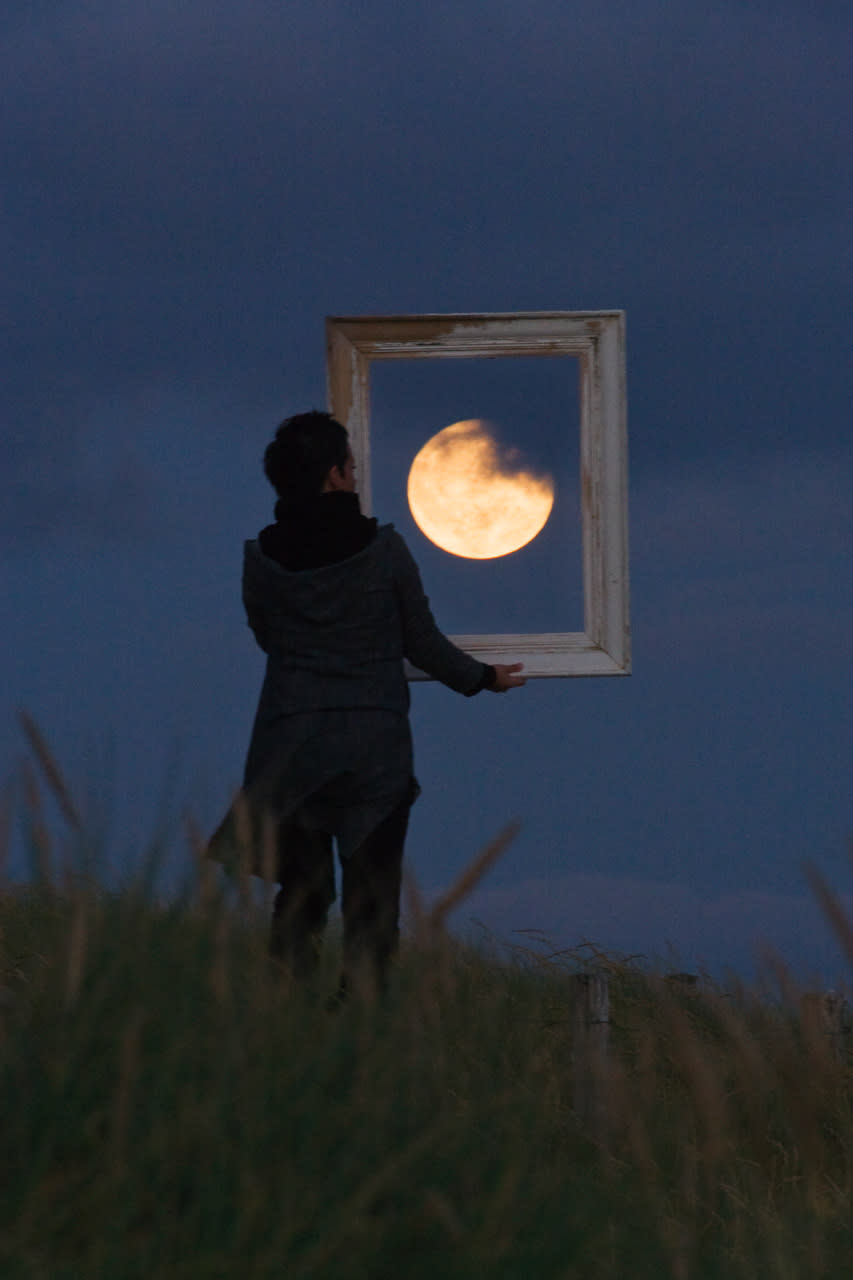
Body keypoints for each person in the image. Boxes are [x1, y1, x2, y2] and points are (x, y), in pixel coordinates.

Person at [209, 410, 525, 1002]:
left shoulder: (261, 557)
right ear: (334, 475)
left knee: (302, 893)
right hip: (373, 751)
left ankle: (288, 1014)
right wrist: (486, 678)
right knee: (372, 900)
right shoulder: (384, 550)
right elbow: (423, 642)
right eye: (350, 466)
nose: (354, 475)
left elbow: (267, 638)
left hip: (291, 747)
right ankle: (362, 1021)